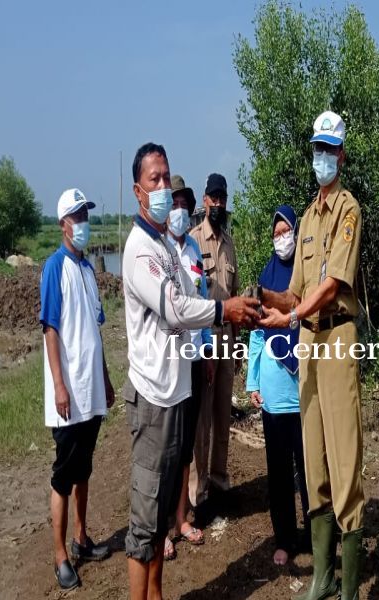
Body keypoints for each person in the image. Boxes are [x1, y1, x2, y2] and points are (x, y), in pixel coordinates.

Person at [122, 143, 259, 600]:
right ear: (138, 191)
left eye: (167, 177)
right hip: (153, 398)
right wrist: (227, 308)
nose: (163, 187)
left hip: (177, 391)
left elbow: (193, 292)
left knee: (162, 513)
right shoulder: (141, 249)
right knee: (144, 520)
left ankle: (156, 593)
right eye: (154, 180)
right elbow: (177, 307)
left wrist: (233, 310)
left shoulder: (166, 246)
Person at [259, 110, 365, 600]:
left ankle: (347, 588)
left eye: (329, 149)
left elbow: (331, 285)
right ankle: (322, 578)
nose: (322, 157)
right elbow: (297, 289)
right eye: (316, 148)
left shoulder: (348, 210)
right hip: (307, 342)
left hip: (336, 337)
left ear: (341, 154)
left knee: (345, 457)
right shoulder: (303, 218)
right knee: (315, 458)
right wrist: (261, 302)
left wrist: (292, 312)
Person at [39, 188, 115, 590]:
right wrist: (59, 385)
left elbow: (94, 332)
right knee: (63, 476)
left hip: (91, 391)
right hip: (69, 393)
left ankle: (82, 538)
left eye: (86, 214)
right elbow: (51, 328)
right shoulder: (55, 267)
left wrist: (104, 377)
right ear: (63, 224)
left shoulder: (87, 271)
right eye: (77, 216)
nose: (83, 222)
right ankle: (60, 555)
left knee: (84, 467)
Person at [246, 205, 310, 566]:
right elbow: (257, 336)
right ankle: (285, 538)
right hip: (273, 391)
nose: (281, 239)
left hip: (303, 390)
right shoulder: (266, 278)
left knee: (311, 469)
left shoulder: (305, 278)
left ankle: (315, 531)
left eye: (286, 231)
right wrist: (253, 380)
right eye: (276, 234)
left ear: (297, 233)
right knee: (280, 472)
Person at [162, 174, 213, 559]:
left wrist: (209, 352)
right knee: (166, 446)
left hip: (194, 357)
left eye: (184, 203)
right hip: (169, 362)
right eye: (174, 202)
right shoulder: (159, 249)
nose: (180, 209)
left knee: (186, 448)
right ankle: (161, 526)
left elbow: (205, 300)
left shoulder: (195, 249)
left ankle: (181, 517)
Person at [188, 172, 239, 521]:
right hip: (205, 341)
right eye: (213, 197)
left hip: (228, 340)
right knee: (201, 420)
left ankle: (220, 482)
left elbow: (234, 298)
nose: (218, 203)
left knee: (223, 415)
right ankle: (198, 490)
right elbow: (192, 299)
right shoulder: (193, 242)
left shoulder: (231, 244)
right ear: (204, 200)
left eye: (222, 197)